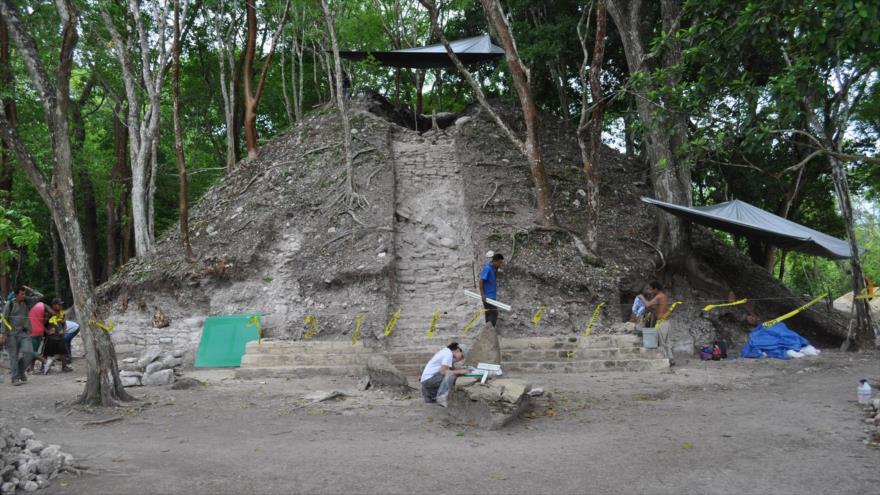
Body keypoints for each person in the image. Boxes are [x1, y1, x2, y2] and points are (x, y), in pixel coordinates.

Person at [2, 285, 44, 385]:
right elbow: (4, 319)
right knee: (13, 356)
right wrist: (3, 334)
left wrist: (29, 289)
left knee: (29, 353)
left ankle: (20, 371)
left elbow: (40, 296)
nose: (24, 296)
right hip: (11, 334)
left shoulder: (27, 303)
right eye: (22, 294)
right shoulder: (10, 304)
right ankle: (15, 378)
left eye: (25, 294)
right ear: (16, 295)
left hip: (24, 332)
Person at [420, 342, 469, 407]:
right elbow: (443, 372)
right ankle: (441, 398)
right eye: (462, 356)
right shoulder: (448, 354)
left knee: (452, 373)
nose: (461, 359)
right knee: (451, 375)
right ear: (458, 350)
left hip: (426, 380)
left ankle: (430, 396)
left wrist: (464, 370)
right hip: (430, 380)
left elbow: (452, 368)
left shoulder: (446, 351)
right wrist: (460, 371)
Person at [638, 281, 674, 365]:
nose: (650, 291)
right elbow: (655, 308)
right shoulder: (663, 296)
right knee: (667, 342)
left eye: (651, 289)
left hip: (661, 323)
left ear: (656, 289)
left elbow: (647, 305)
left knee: (662, 343)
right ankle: (671, 359)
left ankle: (666, 361)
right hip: (666, 322)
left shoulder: (659, 296)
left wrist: (642, 297)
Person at [46, 298, 72, 372]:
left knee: (63, 352)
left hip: (60, 336)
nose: (61, 306)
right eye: (59, 304)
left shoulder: (62, 313)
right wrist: (48, 332)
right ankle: (44, 367)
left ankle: (64, 367)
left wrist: (64, 331)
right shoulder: (49, 314)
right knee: (48, 353)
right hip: (51, 337)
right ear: (53, 305)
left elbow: (64, 324)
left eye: (61, 304)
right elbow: (43, 324)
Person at [27, 300, 52, 372]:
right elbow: (42, 324)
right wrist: (47, 331)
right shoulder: (42, 313)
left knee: (31, 352)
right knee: (34, 352)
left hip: (33, 332)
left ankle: (46, 361)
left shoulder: (36, 307)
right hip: (40, 333)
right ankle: (31, 369)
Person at [479, 253, 504, 327]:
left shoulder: (493, 268)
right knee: (494, 313)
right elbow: (481, 281)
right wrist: (483, 295)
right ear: (494, 261)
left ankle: (488, 330)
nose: (500, 265)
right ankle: (490, 330)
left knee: (489, 313)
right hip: (488, 297)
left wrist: (497, 269)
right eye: (499, 263)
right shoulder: (487, 268)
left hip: (492, 295)